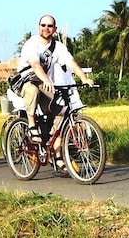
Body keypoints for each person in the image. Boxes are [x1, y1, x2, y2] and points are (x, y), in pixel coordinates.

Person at [15, 14, 94, 170]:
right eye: (43, 25)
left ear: (55, 29)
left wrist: (84, 78)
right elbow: (36, 65)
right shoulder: (31, 44)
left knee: (59, 112)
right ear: (38, 27)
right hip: (25, 82)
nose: (46, 28)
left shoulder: (58, 47)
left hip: (45, 84)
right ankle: (31, 126)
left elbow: (71, 63)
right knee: (32, 90)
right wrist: (46, 80)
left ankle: (57, 156)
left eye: (50, 26)